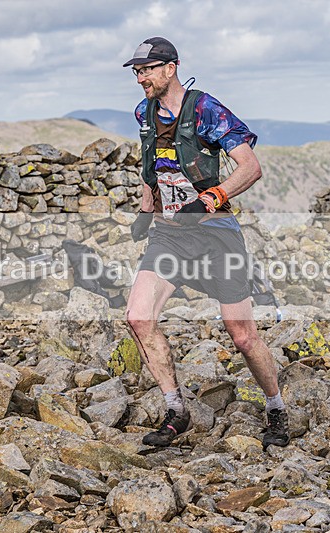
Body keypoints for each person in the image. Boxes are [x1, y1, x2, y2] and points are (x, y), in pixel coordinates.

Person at [122, 37, 290, 450]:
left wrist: (208, 199)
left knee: (243, 336)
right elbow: (152, 167)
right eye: (136, 71)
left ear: (171, 67)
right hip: (169, 235)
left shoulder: (204, 109)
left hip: (215, 233)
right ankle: (177, 411)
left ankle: (276, 409)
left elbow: (250, 167)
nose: (141, 77)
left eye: (148, 68)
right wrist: (146, 211)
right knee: (138, 318)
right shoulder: (144, 112)